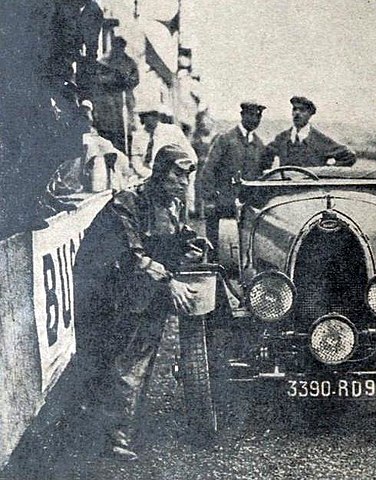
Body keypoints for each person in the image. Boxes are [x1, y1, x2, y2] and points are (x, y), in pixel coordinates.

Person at [73, 143, 204, 461]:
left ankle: (122, 429)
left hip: (141, 289)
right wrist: (169, 281)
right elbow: (134, 255)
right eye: (178, 175)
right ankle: (111, 436)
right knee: (119, 359)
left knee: (141, 355)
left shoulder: (172, 202)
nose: (184, 183)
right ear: (160, 173)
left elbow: (172, 234)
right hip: (107, 290)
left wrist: (191, 241)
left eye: (188, 176)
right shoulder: (128, 202)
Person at [199, 101, 269, 256]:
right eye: (250, 115)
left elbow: (261, 174)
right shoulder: (225, 139)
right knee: (216, 248)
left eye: (258, 117)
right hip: (222, 204)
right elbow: (209, 169)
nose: (254, 120)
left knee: (241, 249)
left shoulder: (258, 144)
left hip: (245, 207)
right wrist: (209, 199)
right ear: (242, 115)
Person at [262, 96, 356, 168]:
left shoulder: (320, 140)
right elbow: (264, 155)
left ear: (310, 114)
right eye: (295, 109)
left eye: (302, 110)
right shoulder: (282, 138)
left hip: (311, 191)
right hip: (285, 189)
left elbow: (349, 156)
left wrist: (327, 173)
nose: (297, 113)